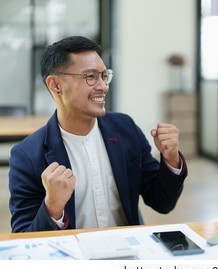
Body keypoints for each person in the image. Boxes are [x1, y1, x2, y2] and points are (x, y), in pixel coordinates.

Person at [8, 36, 188, 232]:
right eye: (90, 77)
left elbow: (162, 202)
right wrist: (52, 207)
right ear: (55, 85)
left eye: (104, 76)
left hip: (129, 250)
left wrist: (171, 160)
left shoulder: (125, 128)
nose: (102, 86)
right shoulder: (27, 156)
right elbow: (24, 237)